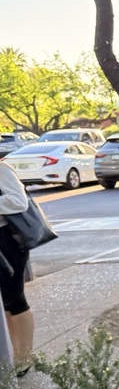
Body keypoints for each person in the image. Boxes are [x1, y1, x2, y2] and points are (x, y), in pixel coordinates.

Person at [0, 159, 34, 376]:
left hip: (8, 242)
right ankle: (10, 354)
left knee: (14, 299)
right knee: (4, 303)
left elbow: (19, 201)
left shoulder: (2, 169)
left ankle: (24, 357)